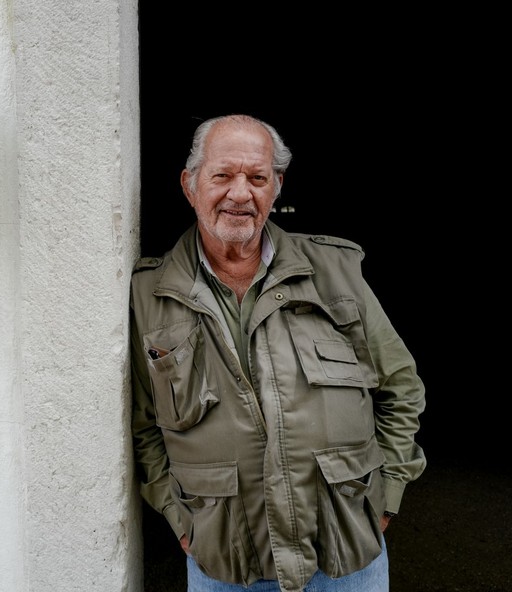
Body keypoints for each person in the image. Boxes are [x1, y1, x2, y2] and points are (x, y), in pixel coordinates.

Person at [129, 114, 426, 592]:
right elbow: (143, 427)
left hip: (346, 553)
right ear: (190, 184)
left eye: (258, 177)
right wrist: (180, 518)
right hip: (226, 559)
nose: (240, 194)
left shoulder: (335, 270)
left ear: (277, 186)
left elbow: (401, 387)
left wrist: (385, 495)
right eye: (223, 175)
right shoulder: (150, 294)